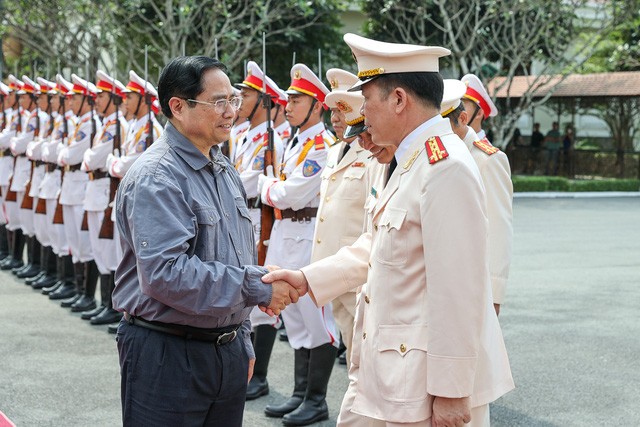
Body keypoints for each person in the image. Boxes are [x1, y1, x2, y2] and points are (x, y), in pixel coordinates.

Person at [263, 33, 514, 427]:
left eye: (367, 101)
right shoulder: (409, 160)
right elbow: (375, 245)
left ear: (398, 100)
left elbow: (459, 292)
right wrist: (305, 279)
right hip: (390, 374)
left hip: (423, 389)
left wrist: (451, 393)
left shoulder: (444, 166)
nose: (360, 113)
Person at [111, 55, 296, 426]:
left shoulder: (221, 166)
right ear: (177, 107)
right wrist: (255, 287)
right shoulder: (157, 177)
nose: (231, 111)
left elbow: (235, 258)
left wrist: (240, 339)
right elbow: (165, 274)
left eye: (234, 100)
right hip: (167, 352)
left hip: (223, 351)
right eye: (219, 102)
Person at [257, 63, 339, 426]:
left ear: (317, 106)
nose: (287, 106)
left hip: (308, 235)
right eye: (288, 99)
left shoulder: (321, 145)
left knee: (316, 319)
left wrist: (265, 187)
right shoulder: (294, 141)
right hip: (283, 234)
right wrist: (274, 189)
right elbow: (283, 192)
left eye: (297, 99)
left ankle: (316, 399)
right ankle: (299, 394)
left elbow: (290, 192)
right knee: (294, 317)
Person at [232, 60, 285, 401]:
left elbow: (252, 179)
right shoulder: (241, 135)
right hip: (239, 217)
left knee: (259, 296)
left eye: (247, 94)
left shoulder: (273, 139)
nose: (240, 98)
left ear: (264, 101)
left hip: (257, 218)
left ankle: (260, 375)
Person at [441, 79, 513, 316]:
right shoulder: (438, 150)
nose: (456, 108)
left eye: (463, 104)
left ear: (478, 113)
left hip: (471, 282)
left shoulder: (487, 159)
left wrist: (493, 293)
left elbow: (498, 229)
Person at [317, 68, 373, 369]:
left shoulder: (373, 153)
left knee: (364, 358)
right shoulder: (334, 151)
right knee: (353, 355)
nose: (335, 117)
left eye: (342, 109)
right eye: (333, 111)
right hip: (332, 270)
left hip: (356, 275)